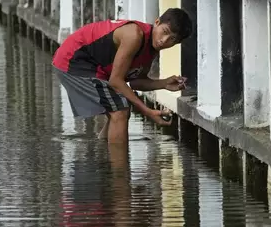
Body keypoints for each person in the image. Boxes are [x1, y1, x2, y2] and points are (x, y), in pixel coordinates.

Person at [52, 8, 193, 144]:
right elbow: (116, 81)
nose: (164, 40)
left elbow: (136, 81)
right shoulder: (135, 35)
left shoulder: (152, 47)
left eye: (172, 39)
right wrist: (147, 111)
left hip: (93, 66)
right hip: (73, 59)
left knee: (119, 110)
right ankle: (119, 168)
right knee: (121, 110)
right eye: (164, 32)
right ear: (157, 22)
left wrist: (164, 83)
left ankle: (104, 154)